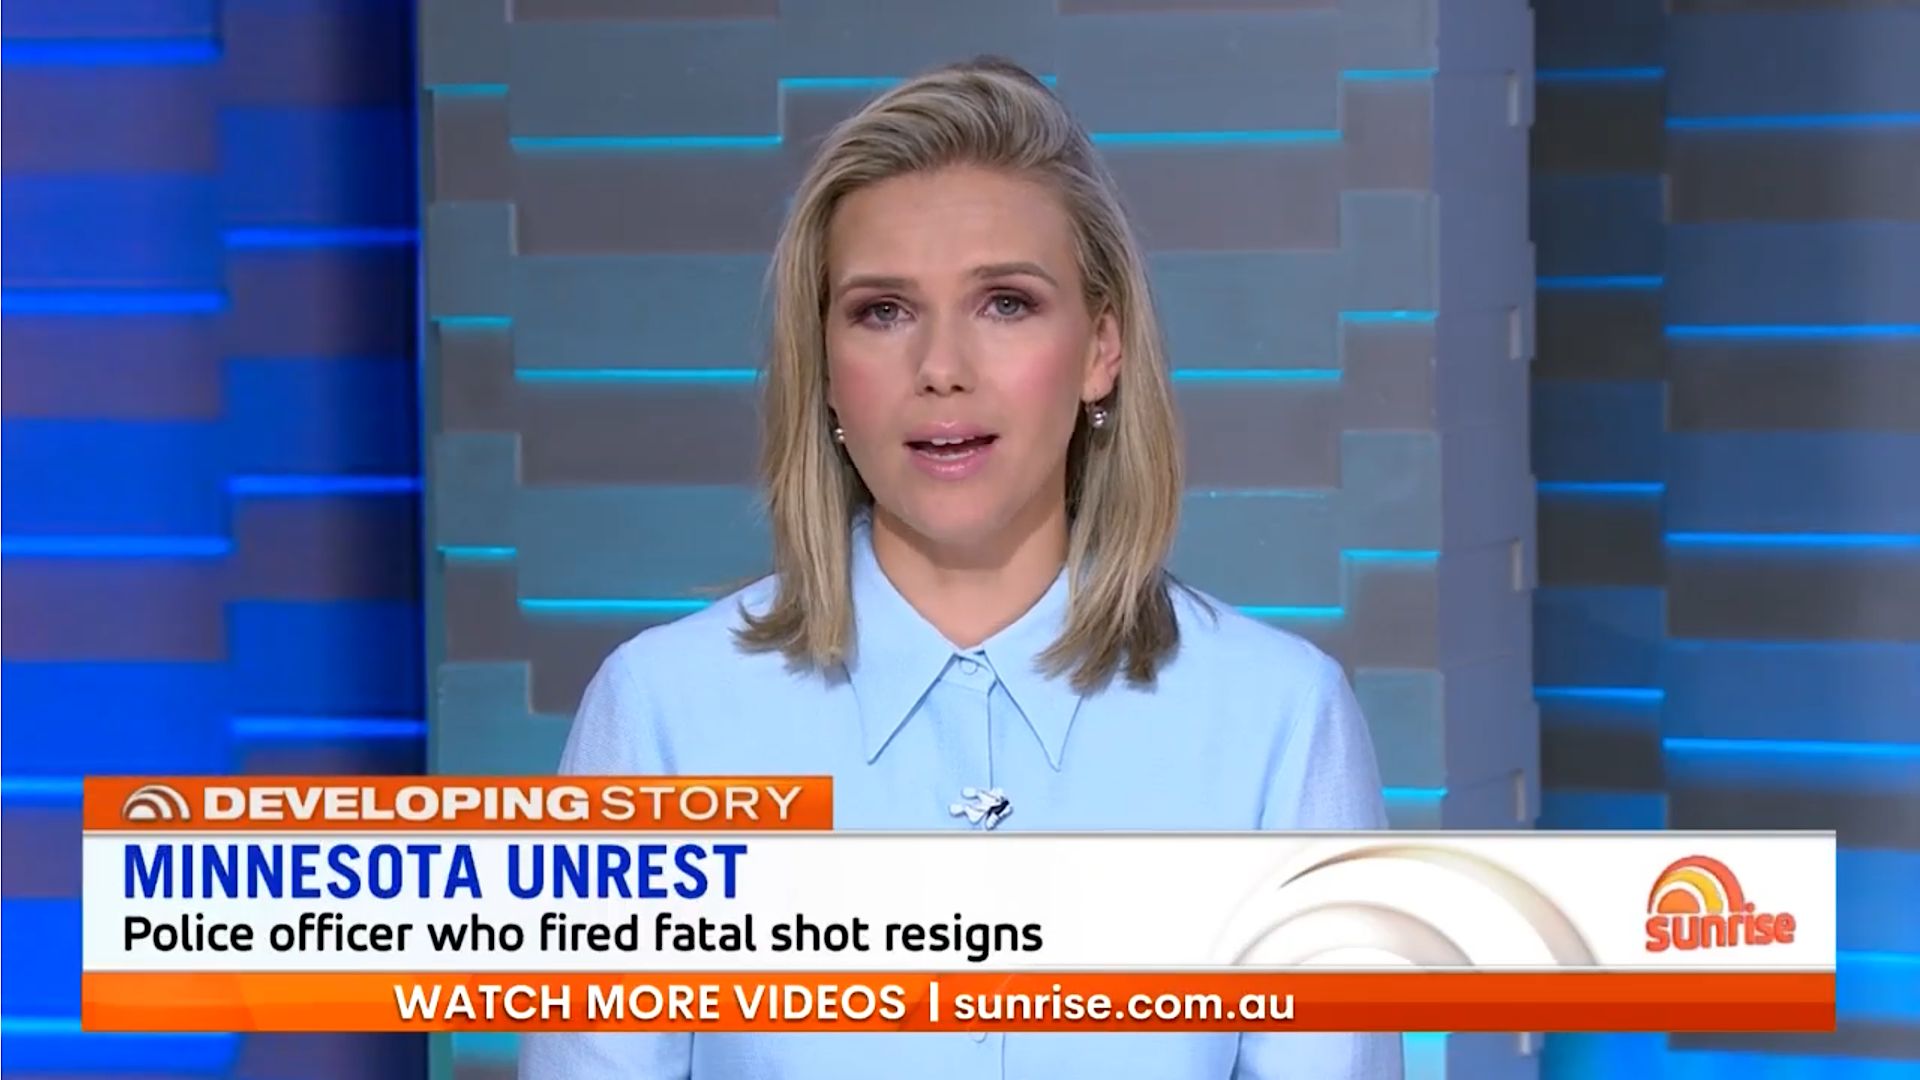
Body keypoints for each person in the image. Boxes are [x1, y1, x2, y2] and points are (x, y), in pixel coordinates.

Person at [520, 55, 1401, 1080]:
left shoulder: (1279, 723)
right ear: (825, 366)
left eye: (1006, 304)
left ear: (1100, 349)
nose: (941, 368)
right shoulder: (663, 715)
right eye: (883, 311)